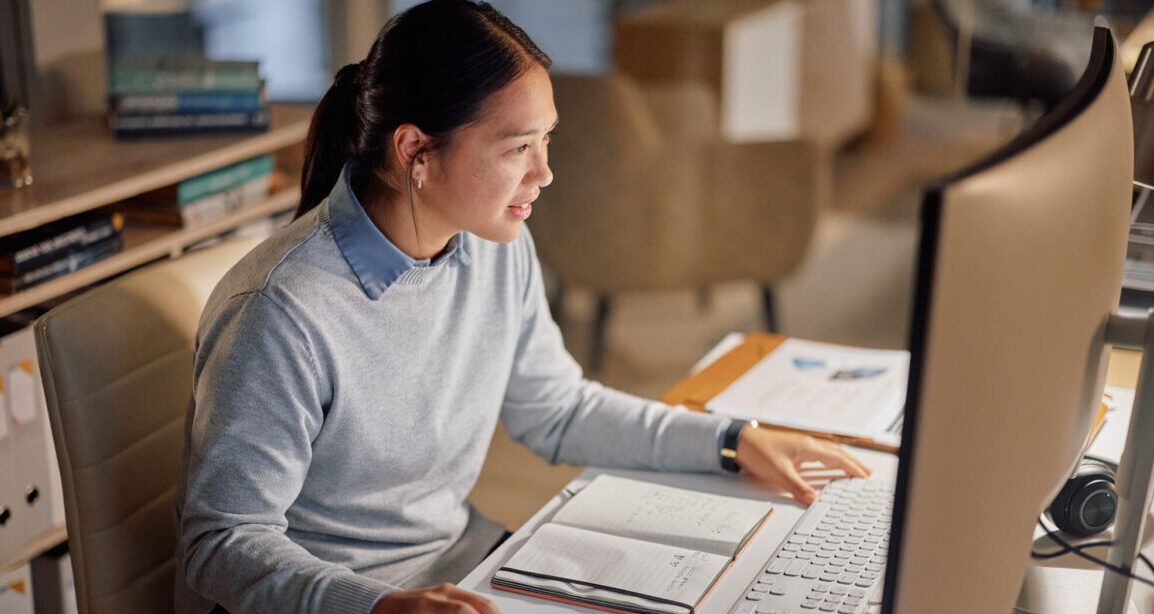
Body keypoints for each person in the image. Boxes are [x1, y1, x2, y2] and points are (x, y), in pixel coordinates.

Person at [174, 1, 870, 613]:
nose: (545, 174)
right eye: (517, 149)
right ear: (415, 150)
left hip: (463, 570)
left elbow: (557, 410)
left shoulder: (493, 246)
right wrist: (381, 606)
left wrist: (729, 440)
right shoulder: (282, 311)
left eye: (547, 142)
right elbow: (221, 545)